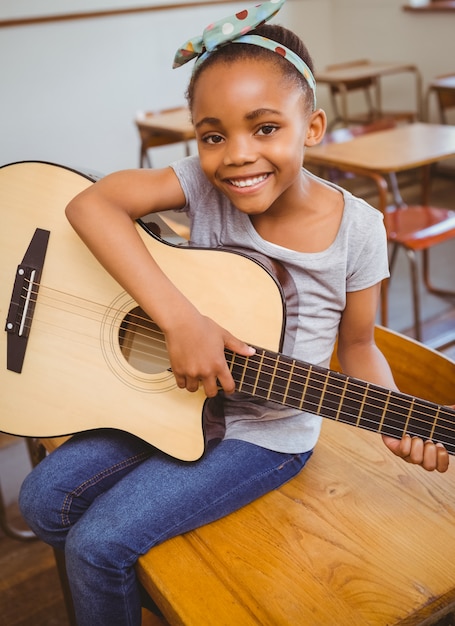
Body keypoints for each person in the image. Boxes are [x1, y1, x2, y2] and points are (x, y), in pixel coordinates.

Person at [19, 1, 449, 624]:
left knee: (97, 546)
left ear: (313, 126)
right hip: (180, 395)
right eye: (214, 134)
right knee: (41, 500)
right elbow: (90, 206)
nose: (237, 155)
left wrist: (395, 423)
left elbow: (358, 347)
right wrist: (181, 322)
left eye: (265, 127)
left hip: (267, 435)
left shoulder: (359, 230)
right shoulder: (201, 181)